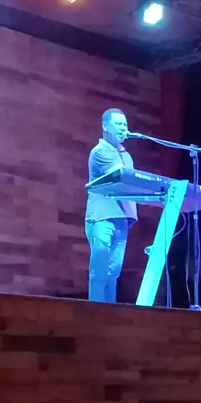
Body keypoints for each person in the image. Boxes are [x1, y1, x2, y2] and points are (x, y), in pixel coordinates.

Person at [85, 108, 137, 303]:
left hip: (122, 218)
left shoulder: (126, 155)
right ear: (105, 126)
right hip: (102, 217)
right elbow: (122, 176)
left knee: (113, 273)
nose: (124, 128)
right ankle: (95, 315)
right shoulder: (100, 151)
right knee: (99, 273)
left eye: (125, 124)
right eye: (119, 124)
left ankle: (109, 315)